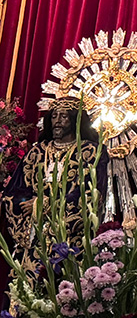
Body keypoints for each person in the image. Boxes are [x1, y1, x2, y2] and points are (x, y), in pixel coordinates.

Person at [1, 97, 107, 274]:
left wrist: (47, 205)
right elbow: (14, 191)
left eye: (64, 116)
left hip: (69, 237)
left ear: (75, 120)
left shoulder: (91, 152)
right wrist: (30, 204)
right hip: (35, 233)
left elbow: (91, 191)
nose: (57, 121)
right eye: (54, 116)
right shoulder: (37, 151)